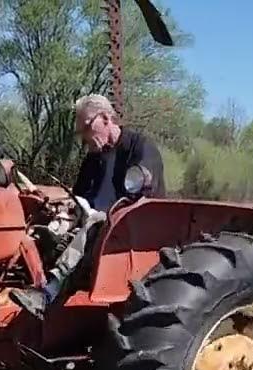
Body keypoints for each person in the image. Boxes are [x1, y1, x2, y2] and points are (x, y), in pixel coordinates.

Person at [11, 94, 166, 318]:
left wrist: (98, 214)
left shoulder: (140, 148)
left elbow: (142, 198)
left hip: (133, 228)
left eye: (86, 127)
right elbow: (79, 196)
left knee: (95, 221)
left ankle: (48, 292)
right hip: (95, 225)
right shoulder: (93, 159)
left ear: (105, 118)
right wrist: (66, 210)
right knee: (52, 222)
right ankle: (27, 279)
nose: (84, 137)